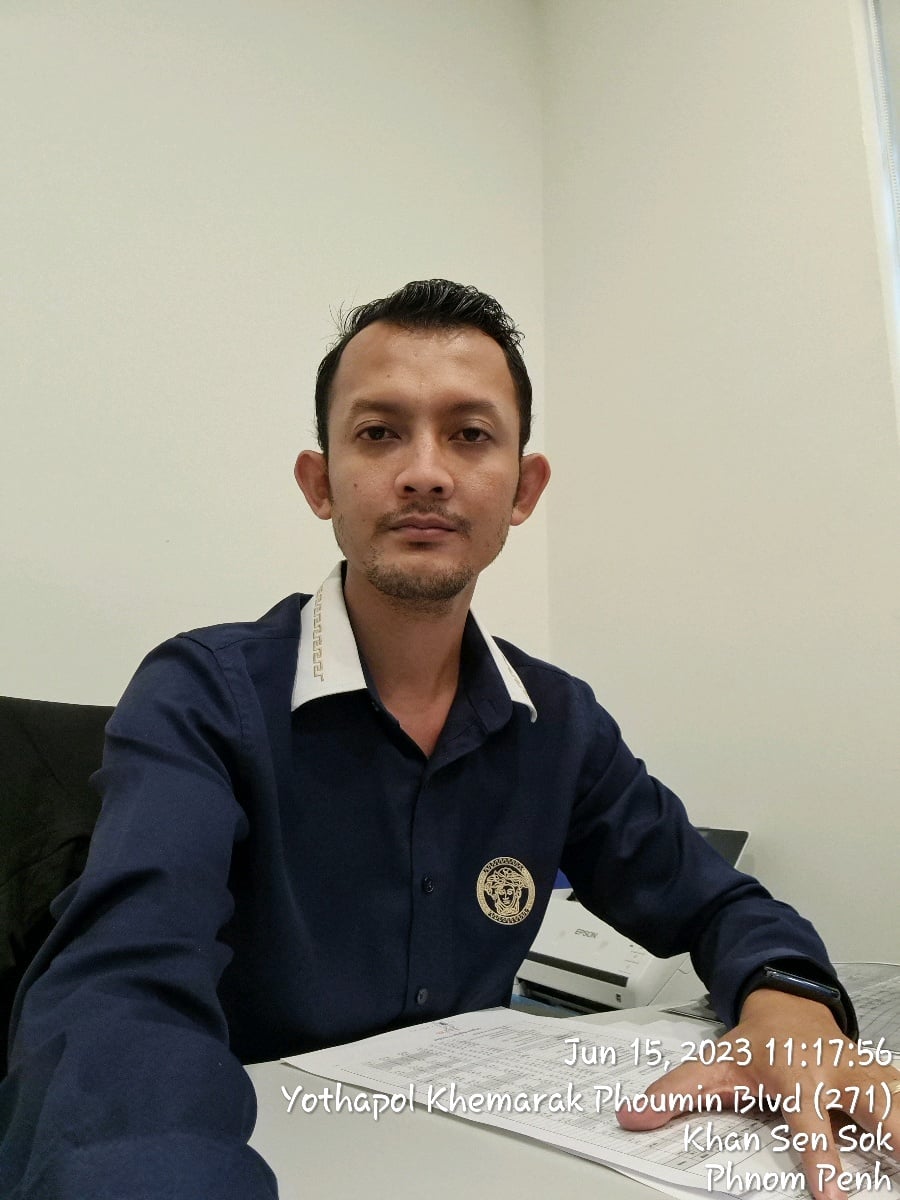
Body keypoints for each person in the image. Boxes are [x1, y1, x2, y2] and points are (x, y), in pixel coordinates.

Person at [1, 279, 897, 1198]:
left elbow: (717, 902)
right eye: (378, 432)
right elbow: (121, 986)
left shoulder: (558, 723)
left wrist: (792, 1004)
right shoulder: (201, 695)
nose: (425, 472)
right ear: (320, 483)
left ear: (523, 488)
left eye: (469, 435)